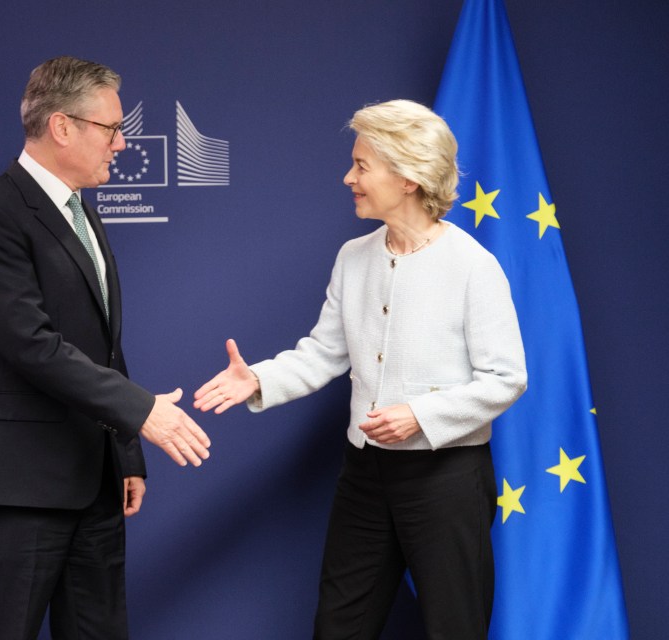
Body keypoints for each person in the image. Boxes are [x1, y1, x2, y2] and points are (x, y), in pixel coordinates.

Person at [194, 99, 527, 640]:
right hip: (365, 475)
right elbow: (324, 352)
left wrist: (419, 415)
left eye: (362, 166)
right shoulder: (353, 257)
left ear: (409, 176)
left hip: (446, 481)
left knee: (454, 628)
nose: (348, 177)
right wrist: (258, 378)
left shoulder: (473, 267)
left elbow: (506, 377)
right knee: (338, 627)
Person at [0, 56, 211, 640]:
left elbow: (101, 345)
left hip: (92, 479)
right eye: (110, 128)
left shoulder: (81, 211)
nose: (122, 142)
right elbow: (31, 345)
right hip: (16, 487)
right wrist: (142, 411)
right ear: (62, 127)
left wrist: (126, 454)